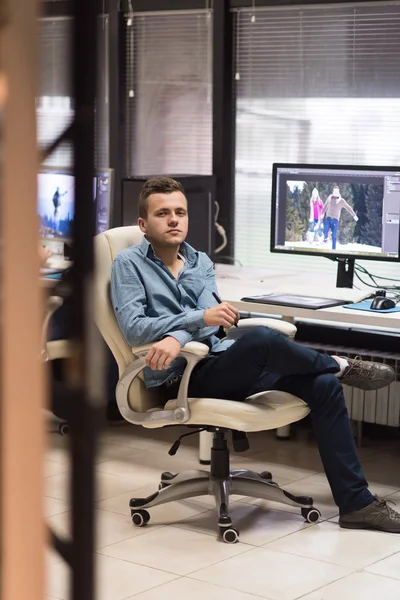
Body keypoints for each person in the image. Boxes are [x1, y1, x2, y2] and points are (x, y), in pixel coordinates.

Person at [111, 176, 400, 533]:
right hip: (179, 377)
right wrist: (196, 322)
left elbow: (211, 324)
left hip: (220, 364)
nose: (174, 220)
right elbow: (136, 328)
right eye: (163, 213)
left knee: (323, 386)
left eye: (180, 212)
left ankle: (357, 505)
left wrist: (177, 332)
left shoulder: (199, 261)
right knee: (260, 339)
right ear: (143, 224)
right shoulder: (128, 264)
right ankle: (341, 365)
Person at [323, 184, 358, 250]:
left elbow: (348, 208)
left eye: (337, 192)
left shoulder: (341, 201)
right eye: (334, 192)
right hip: (328, 218)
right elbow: (325, 206)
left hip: (335, 220)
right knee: (325, 232)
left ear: (338, 193)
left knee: (334, 235)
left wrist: (354, 215)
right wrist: (322, 213)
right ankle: (324, 243)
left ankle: (333, 249)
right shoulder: (330, 198)